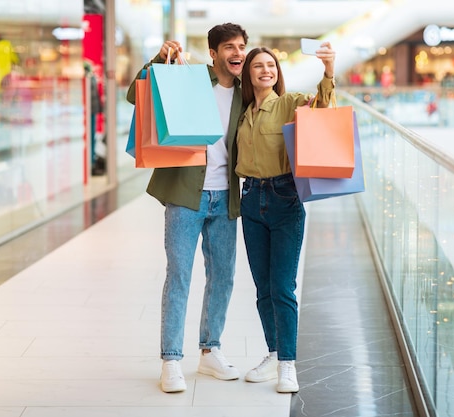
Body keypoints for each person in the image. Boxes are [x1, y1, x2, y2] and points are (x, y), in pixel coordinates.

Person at [125, 23, 248, 393]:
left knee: (223, 277)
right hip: (184, 194)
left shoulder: (247, 93)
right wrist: (157, 60)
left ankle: (210, 351)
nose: (238, 53)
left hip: (225, 196)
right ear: (213, 53)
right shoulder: (190, 78)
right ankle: (171, 360)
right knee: (179, 275)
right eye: (229, 47)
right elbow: (135, 94)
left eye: (242, 46)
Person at [235, 44, 335, 393]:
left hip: (284, 198)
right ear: (248, 74)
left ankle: (288, 365)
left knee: (282, 286)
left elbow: (322, 107)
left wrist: (328, 71)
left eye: (271, 65)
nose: (266, 70)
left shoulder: (290, 102)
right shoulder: (243, 112)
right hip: (250, 200)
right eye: (258, 66)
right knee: (263, 288)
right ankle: (274, 353)